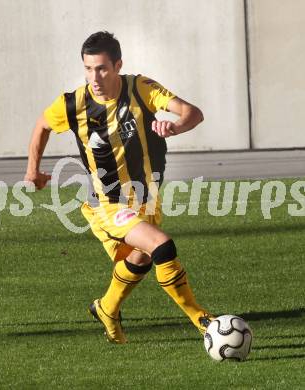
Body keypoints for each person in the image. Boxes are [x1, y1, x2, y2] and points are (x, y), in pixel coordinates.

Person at [24, 31, 214, 344]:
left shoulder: (140, 88)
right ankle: (202, 320)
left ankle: (107, 308)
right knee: (162, 246)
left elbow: (193, 112)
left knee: (141, 257)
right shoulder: (73, 103)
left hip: (144, 198)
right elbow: (42, 125)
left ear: (117, 65)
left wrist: (175, 125)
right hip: (107, 203)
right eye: (88, 68)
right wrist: (33, 171)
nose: (94, 77)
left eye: (101, 68)